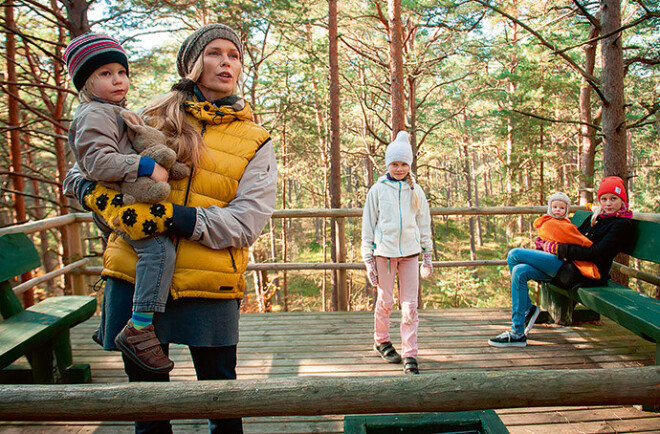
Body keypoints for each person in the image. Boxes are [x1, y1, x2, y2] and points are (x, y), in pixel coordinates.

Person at [63, 23, 277, 433]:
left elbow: (247, 220)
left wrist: (175, 219)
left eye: (233, 55)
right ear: (193, 63)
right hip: (133, 276)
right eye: (215, 52)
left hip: (209, 283)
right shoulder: (143, 117)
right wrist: (107, 202)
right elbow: (80, 175)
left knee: (223, 407)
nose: (226, 62)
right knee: (149, 413)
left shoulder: (256, 140)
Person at [64, 33, 177, 374]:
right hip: (116, 203)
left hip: (126, 196)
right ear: (86, 82)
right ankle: (138, 328)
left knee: (161, 247)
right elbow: (97, 164)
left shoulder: (116, 112)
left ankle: (131, 325)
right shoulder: (93, 115)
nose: (117, 80)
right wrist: (143, 166)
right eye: (105, 74)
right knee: (157, 249)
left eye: (121, 72)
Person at [489, 176, 633, 348]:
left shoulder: (622, 225)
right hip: (569, 266)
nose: (608, 203)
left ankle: (528, 311)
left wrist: (556, 249)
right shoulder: (595, 218)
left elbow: (597, 254)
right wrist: (547, 244)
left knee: (514, 254)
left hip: (585, 273)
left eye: (613, 199)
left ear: (622, 200)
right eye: (604, 199)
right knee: (520, 271)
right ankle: (518, 332)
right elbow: (573, 238)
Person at [361, 131, 433, 375]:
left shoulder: (416, 191)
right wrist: (368, 260)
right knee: (386, 300)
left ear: (409, 165)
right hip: (384, 255)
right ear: (387, 165)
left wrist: (427, 255)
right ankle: (381, 339)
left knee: (409, 305)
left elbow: (424, 224)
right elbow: (368, 226)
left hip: (411, 255)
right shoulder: (377, 191)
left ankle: (410, 352)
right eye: (394, 164)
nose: (399, 168)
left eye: (403, 164)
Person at [533, 192, 600, 281]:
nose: (558, 210)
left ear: (567, 209)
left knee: (514, 255)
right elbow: (578, 239)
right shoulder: (547, 223)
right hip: (548, 253)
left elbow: (574, 237)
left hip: (559, 259)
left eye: (562, 208)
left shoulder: (566, 224)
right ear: (550, 208)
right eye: (555, 207)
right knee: (519, 269)